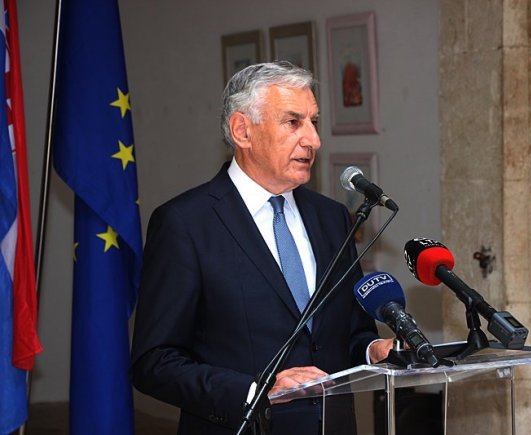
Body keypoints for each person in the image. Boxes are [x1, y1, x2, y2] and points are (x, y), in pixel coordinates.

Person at [130, 61, 393, 435]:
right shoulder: (185, 224)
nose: (313, 140)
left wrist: (374, 350)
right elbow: (154, 362)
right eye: (293, 122)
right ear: (242, 131)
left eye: (314, 122)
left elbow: (349, 332)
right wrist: (256, 392)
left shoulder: (332, 218)